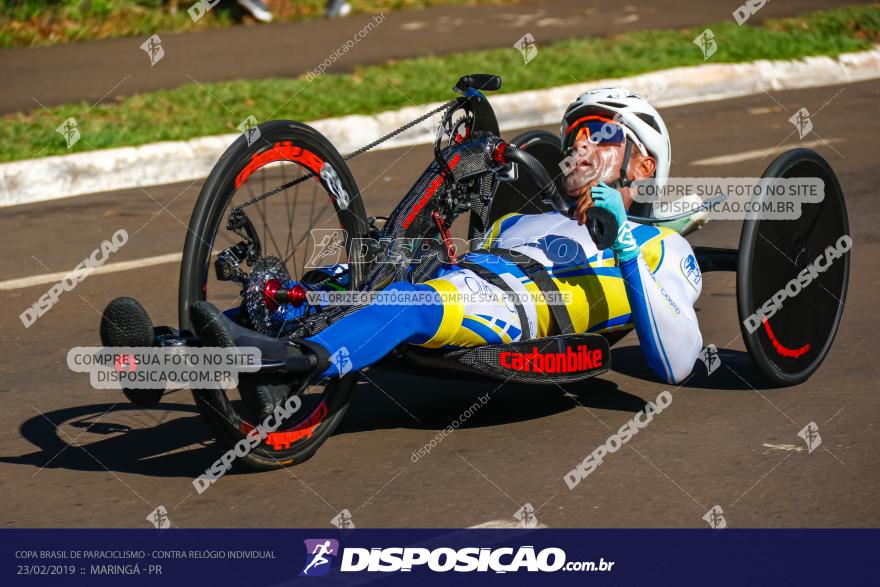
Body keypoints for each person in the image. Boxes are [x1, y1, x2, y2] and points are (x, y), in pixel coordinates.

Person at [192, 88, 704, 415]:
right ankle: (182, 345)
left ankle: (291, 368)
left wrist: (621, 240)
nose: (581, 147)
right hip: (464, 279)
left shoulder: (666, 246)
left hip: (515, 311)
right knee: (343, 276)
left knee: (408, 303)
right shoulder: (522, 218)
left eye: (603, 136)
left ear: (644, 167)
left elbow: (675, 362)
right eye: (576, 135)